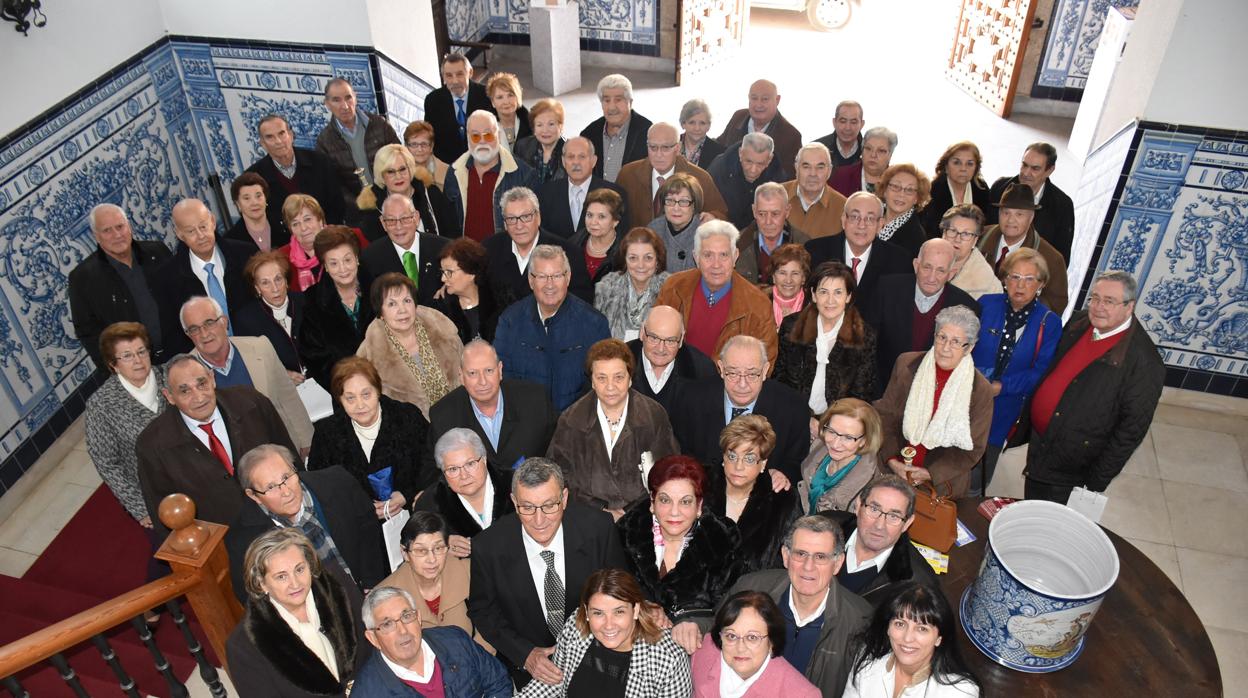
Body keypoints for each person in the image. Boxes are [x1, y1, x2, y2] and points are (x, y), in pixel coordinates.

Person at [467, 458, 629, 685]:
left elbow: (621, 589)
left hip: (600, 657)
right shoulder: (488, 546)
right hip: (529, 670)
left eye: (549, 505)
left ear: (564, 498)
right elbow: (483, 610)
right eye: (528, 508)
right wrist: (524, 654)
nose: (539, 520)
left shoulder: (598, 528)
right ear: (514, 502)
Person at [671, 515, 872, 697]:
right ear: (785, 556)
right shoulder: (751, 587)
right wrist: (692, 624)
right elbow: (719, 626)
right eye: (800, 554)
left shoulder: (860, 620)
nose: (808, 566)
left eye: (820, 557)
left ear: (837, 564)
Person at [1020, 270, 1164, 503]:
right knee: (1031, 503)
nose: (1098, 307)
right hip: (1042, 444)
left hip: (1072, 465)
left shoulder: (1144, 363)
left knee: (1050, 523)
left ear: (1129, 307)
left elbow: (1131, 431)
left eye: (1109, 301)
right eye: (1095, 298)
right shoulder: (1079, 321)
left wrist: (1096, 481)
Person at [136, 354, 299, 537]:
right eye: (185, 391)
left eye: (202, 384)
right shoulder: (153, 446)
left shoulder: (251, 402)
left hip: (285, 523)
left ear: (213, 379)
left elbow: (292, 461)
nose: (199, 397)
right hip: (222, 545)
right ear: (169, 397)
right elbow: (166, 516)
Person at [226, 444, 386, 601]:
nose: (286, 492)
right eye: (271, 487)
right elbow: (252, 595)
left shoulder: (337, 482)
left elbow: (368, 526)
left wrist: (371, 580)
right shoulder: (242, 540)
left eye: (286, 477)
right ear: (253, 496)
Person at [225, 528, 369, 697]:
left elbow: (373, 642)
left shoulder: (338, 584)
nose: (295, 584)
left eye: (300, 569)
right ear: (261, 584)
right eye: (281, 577)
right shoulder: (243, 648)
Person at [547, 338, 680, 517]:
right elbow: (558, 477)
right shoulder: (571, 420)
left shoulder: (654, 415)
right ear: (592, 381)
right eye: (602, 378)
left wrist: (628, 511)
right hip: (587, 517)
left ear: (630, 379)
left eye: (618, 377)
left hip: (644, 516)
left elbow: (668, 473)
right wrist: (601, 510)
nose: (610, 387)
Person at [968, 248, 1061, 495]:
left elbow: (1041, 372)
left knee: (979, 472)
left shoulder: (1048, 322)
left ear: (1040, 284)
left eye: (1029, 279)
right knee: (950, 456)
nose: (1020, 285)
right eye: (1015, 276)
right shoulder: (986, 304)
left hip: (1005, 405)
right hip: (967, 395)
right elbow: (965, 345)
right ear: (1005, 279)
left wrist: (1002, 386)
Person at [873, 306, 993, 499]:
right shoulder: (906, 364)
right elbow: (886, 416)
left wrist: (930, 473)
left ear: (969, 347)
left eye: (956, 342)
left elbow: (974, 448)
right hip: (893, 469)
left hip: (941, 484)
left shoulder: (980, 389)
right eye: (942, 337)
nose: (946, 348)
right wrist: (892, 460)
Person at [516, 568, 693, 698]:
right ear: (586, 612)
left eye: (619, 612)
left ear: (636, 610)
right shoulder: (575, 628)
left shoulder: (668, 658)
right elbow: (552, 682)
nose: (609, 625)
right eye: (598, 613)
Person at [84, 323, 168, 590]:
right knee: (167, 552)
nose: (138, 360)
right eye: (127, 355)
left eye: (141, 351)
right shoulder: (102, 404)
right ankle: (151, 606)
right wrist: (139, 506)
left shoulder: (168, 377)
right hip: (149, 493)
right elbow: (106, 462)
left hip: (193, 475)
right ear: (113, 364)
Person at [180, 296, 314, 455]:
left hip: (283, 447)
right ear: (188, 335)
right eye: (194, 329)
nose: (204, 334)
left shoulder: (260, 347)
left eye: (209, 323)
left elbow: (287, 396)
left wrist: (306, 440)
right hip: (237, 465)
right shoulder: (184, 375)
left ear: (224, 322)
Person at [618, 455, 740, 624]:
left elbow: (729, 610)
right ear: (652, 502)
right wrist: (641, 606)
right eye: (665, 500)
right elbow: (611, 592)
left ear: (698, 506)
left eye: (685, 502)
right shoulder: (624, 535)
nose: (674, 512)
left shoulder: (722, 542)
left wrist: (691, 621)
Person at [670, 336, 809, 482]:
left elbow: (796, 462)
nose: (742, 384)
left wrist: (782, 474)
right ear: (721, 369)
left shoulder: (793, 408)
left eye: (752, 374)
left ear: (765, 370)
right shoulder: (690, 399)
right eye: (733, 373)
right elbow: (679, 452)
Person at [307, 356, 433, 514]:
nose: (360, 405)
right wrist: (360, 508)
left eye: (366, 394)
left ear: (378, 391)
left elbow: (432, 463)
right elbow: (321, 485)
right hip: (358, 522)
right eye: (350, 398)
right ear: (339, 399)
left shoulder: (407, 417)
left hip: (416, 510)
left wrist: (407, 495)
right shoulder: (326, 434)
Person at [494, 244, 611, 410]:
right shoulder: (510, 321)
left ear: (568, 278)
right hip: (526, 422)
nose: (550, 285)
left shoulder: (594, 324)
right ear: (531, 280)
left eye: (556, 276)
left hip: (577, 424)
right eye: (542, 276)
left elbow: (601, 381)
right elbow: (503, 377)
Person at [861, 238, 981, 396]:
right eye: (927, 267)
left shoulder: (966, 307)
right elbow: (866, 345)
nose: (932, 277)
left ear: (951, 274)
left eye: (941, 270)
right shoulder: (886, 289)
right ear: (916, 265)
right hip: (881, 391)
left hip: (932, 397)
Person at [424, 339, 559, 475]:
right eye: (472, 373)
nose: (482, 381)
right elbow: (433, 472)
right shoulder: (443, 415)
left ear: (500, 370)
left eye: (489, 371)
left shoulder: (535, 400)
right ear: (461, 377)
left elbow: (558, 452)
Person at [655, 221, 779, 366]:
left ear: (735, 257)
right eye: (708, 255)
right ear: (696, 258)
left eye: (724, 255)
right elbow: (655, 342)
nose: (716, 265)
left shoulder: (758, 304)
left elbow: (764, 363)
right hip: (676, 381)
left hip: (729, 386)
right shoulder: (673, 288)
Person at [353, 586, 511, 696]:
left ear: (419, 618)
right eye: (387, 624)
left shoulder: (455, 640)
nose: (403, 630)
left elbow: (499, 681)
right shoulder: (366, 692)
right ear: (373, 638)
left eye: (407, 616)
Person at [69, 204, 171, 368]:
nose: (117, 235)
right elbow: (87, 331)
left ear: (129, 227)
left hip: (182, 351)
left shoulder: (157, 251)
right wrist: (113, 368)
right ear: (97, 236)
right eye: (107, 230)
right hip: (136, 368)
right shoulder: (82, 278)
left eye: (120, 226)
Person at [376, 512, 494, 651]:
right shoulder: (383, 598)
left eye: (438, 548)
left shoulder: (469, 571)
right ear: (404, 553)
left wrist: (474, 658)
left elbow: (493, 622)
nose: (432, 559)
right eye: (421, 550)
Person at [151, 198, 254, 356]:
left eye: (203, 226)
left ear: (212, 221)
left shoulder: (246, 255)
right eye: (191, 231)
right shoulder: (165, 278)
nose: (201, 236)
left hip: (256, 349)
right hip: (207, 363)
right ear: (179, 233)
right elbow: (173, 335)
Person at [843, 582, 980, 697]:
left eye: (922, 629)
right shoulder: (867, 659)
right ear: (888, 628)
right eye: (900, 624)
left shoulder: (960, 693)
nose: (907, 638)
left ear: (939, 638)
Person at [356, 273, 463, 418]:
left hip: (462, 415)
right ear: (380, 312)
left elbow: (467, 374)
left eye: (407, 301)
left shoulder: (442, 330)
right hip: (414, 433)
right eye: (392, 304)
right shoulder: (368, 357)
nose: (402, 310)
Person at [702, 416, 799, 575]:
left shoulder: (782, 501)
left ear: (763, 464)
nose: (738, 466)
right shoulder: (699, 487)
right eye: (732, 456)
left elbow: (788, 561)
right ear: (723, 457)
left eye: (749, 459)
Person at [775, 262, 877, 412]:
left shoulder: (863, 336)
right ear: (814, 295)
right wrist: (805, 419)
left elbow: (860, 395)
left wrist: (828, 425)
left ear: (848, 296)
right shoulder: (792, 326)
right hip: (793, 412)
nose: (830, 300)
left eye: (838, 292)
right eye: (823, 292)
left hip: (839, 420)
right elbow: (780, 379)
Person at [827, 476, 939, 605]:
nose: (879, 525)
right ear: (858, 506)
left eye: (894, 516)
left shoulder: (917, 584)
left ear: (907, 523)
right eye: (874, 509)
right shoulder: (824, 527)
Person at [690, 591, 820, 698]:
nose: (740, 648)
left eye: (752, 637)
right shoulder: (702, 651)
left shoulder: (803, 695)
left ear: (771, 642)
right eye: (731, 636)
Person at [482, 186, 595, 304]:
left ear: (538, 218)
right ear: (505, 224)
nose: (519, 226)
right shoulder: (489, 249)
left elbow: (581, 303)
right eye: (511, 219)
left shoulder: (569, 253)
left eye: (526, 217)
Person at [413, 427, 515, 556]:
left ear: (483, 459)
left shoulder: (516, 485)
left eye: (470, 464)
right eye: (453, 469)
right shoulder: (429, 504)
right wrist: (439, 545)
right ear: (443, 472)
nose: (464, 475)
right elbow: (416, 547)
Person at [245, 113, 353, 232]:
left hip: (326, 235)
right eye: (270, 137)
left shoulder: (320, 162)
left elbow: (337, 204)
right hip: (284, 244)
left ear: (291, 135)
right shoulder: (254, 177)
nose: (278, 141)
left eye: (282, 133)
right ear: (263, 144)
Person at [298, 226, 376, 388]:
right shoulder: (312, 302)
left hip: (394, 385)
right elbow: (315, 357)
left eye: (347, 260)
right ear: (325, 266)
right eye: (333, 263)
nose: (343, 269)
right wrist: (347, 385)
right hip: (347, 393)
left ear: (357, 258)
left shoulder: (379, 289)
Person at [803, 191, 912, 308]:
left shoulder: (899, 261)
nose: (861, 225)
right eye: (855, 217)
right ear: (844, 220)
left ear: (880, 224)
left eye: (870, 218)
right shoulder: (814, 251)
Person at [444, 110, 538, 240]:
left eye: (488, 135)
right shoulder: (454, 172)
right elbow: (449, 224)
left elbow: (532, 224)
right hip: (466, 256)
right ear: (468, 138)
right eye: (475, 136)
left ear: (498, 136)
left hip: (505, 257)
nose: (482, 142)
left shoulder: (524, 175)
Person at [617, 121, 728, 231]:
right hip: (637, 245)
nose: (659, 154)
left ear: (678, 148)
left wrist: (712, 218)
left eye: (665, 148)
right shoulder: (628, 174)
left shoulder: (699, 178)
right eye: (653, 147)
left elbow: (721, 215)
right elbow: (614, 213)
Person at [977, 183, 1069, 314]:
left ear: (1031, 217)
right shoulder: (977, 237)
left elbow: (1055, 306)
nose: (1010, 220)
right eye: (1006, 212)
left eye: (1019, 214)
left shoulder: (1051, 259)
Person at [987, 142, 1075, 262]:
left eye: (1035, 168)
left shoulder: (1062, 205)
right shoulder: (999, 188)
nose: (1026, 173)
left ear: (1050, 170)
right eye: (1024, 165)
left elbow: (1061, 257)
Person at [359, 193, 450, 307]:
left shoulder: (444, 248)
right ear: (383, 223)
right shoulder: (370, 258)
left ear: (416, 218)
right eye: (391, 220)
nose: (399, 227)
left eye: (405, 218)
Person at [797, 398, 882, 513]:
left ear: (864, 441)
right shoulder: (816, 448)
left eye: (848, 438)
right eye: (831, 431)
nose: (835, 444)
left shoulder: (872, 490)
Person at [355, 143, 454, 241]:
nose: (398, 177)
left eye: (402, 169)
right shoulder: (373, 211)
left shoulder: (431, 193)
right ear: (382, 176)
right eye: (390, 172)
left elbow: (450, 232)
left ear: (410, 169)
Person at [627, 305, 718, 412]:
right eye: (654, 338)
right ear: (642, 333)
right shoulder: (619, 360)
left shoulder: (702, 370)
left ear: (681, 339)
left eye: (670, 341)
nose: (661, 349)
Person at [536, 136, 628, 239]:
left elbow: (622, 237)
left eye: (582, 157)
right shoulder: (546, 193)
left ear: (594, 161)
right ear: (563, 161)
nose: (576, 162)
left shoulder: (614, 194)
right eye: (571, 157)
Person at [234, 250, 307, 379]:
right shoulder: (246, 320)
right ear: (257, 288)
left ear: (286, 281)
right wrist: (282, 375)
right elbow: (252, 365)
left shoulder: (306, 303)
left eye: (278, 279)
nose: (275, 288)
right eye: (265, 283)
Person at [316, 77, 401, 186]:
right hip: (355, 202)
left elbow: (400, 159)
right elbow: (331, 184)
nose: (345, 106)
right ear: (327, 104)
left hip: (390, 196)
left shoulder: (379, 124)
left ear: (355, 98)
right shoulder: (324, 142)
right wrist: (358, 202)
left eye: (348, 98)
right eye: (336, 100)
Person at [715, 79, 802, 180]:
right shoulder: (738, 117)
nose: (758, 104)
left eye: (765, 99)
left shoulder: (790, 136)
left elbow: (790, 181)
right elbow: (719, 149)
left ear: (777, 100)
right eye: (754, 98)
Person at [595, 227, 671, 341]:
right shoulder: (607, 288)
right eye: (633, 258)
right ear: (625, 260)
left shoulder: (671, 289)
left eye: (648, 258)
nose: (641, 265)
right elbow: (597, 335)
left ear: (657, 260)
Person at [423, 52, 495, 166]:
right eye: (449, 75)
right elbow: (430, 137)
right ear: (443, 77)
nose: (454, 81)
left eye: (460, 74)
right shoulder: (432, 101)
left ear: (470, 73)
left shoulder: (487, 96)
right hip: (448, 166)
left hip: (483, 162)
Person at [580, 74, 653, 182]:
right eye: (607, 100)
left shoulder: (647, 131)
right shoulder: (589, 134)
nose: (612, 107)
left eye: (618, 100)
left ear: (630, 102)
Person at [435, 237, 508, 344]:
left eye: (449, 272)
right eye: (442, 272)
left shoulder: (500, 303)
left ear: (471, 272)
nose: (443, 278)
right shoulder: (440, 310)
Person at [734, 181, 808, 286]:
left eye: (775, 214)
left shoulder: (804, 244)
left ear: (787, 211)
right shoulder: (738, 244)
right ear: (754, 211)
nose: (768, 222)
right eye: (762, 214)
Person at [709, 133, 786, 230]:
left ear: (769, 160)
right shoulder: (719, 168)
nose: (753, 170)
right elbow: (707, 205)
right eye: (748, 161)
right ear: (740, 153)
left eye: (760, 164)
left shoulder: (778, 179)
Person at [920, 141, 991, 237]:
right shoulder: (932, 192)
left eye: (969, 164)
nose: (963, 168)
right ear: (946, 165)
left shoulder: (982, 190)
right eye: (957, 162)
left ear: (976, 168)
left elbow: (984, 228)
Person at [783, 143, 847, 239]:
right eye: (806, 166)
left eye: (820, 167)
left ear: (829, 171)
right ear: (796, 168)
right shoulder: (775, 195)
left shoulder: (843, 207)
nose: (813, 173)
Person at [648, 173, 707, 274]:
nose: (676, 208)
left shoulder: (706, 233)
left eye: (684, 201)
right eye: (670, 200)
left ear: (694, 205)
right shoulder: (653, 230)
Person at [940, 204, 1000, 299]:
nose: (957, 239)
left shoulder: (990, 287)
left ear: (975, 240)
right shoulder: (924, 261)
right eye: (952, 230)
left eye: (966, 234)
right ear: (944, 233)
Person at [875, 164, 931, 259]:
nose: (901, 194)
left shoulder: (916, 238)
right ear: (884, 190)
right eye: (896, 186)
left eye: (909, 190)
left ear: (916, 198)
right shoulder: (871, 215)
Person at [569, 187, 625, 283]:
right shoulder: (572, 244)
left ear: (615, 221)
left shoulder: (625, 253)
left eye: (601, 217)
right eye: (590, 215)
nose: (593, 222)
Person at [280, 194, 328, 293]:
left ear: (320, 220)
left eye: (307, 219)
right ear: (291, 229)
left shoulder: (341, 241)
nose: (303, 228)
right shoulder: (282, 258)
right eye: (295, 224)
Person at [829, 126, 895, 198]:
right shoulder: (839, 176)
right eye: (868, 148)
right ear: (862, 150)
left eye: (881, 151)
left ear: (890, 154)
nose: (873, 155)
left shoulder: (897, 180)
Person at [514, 98, 567, 184]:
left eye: (551, 124)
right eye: (539, 125)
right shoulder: (522, 146)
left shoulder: (572, 152)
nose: (545, 130)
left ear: (560, 126)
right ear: (534, 128)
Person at [226, 172, 282, 252]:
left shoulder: (284, 226)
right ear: (238, 204)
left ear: (265, 198)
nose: (254, 203)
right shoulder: (230, 240)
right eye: (247, 198)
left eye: (258, 196)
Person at [766, 243, 811, 327]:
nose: (788, 280)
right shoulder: (759, 302)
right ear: (773, 277)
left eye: (795, 273)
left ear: (803, 278)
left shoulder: (813, 307)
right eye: (782, 273)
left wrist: (791, 324)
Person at [487, 72, 531, 151]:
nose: (506, 102)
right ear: (492, 102)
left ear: (517, 97)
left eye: (510, 95)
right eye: (500, 97)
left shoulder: (532, 123)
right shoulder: (485, 127)